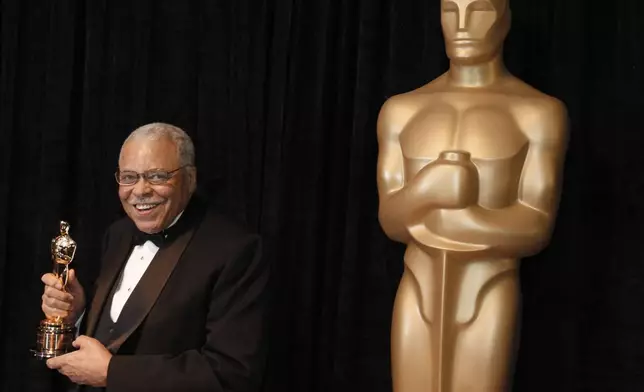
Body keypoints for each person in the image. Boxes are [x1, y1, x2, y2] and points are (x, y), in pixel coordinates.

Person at [41, 123, 270, 391]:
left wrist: (113, 373)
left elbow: (230, 373)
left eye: (157, 176)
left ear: (190, 178)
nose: (140, 190)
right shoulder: (118, 233)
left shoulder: (235, 249)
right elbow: (114, 334)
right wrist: (78, 314)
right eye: (128, 177)